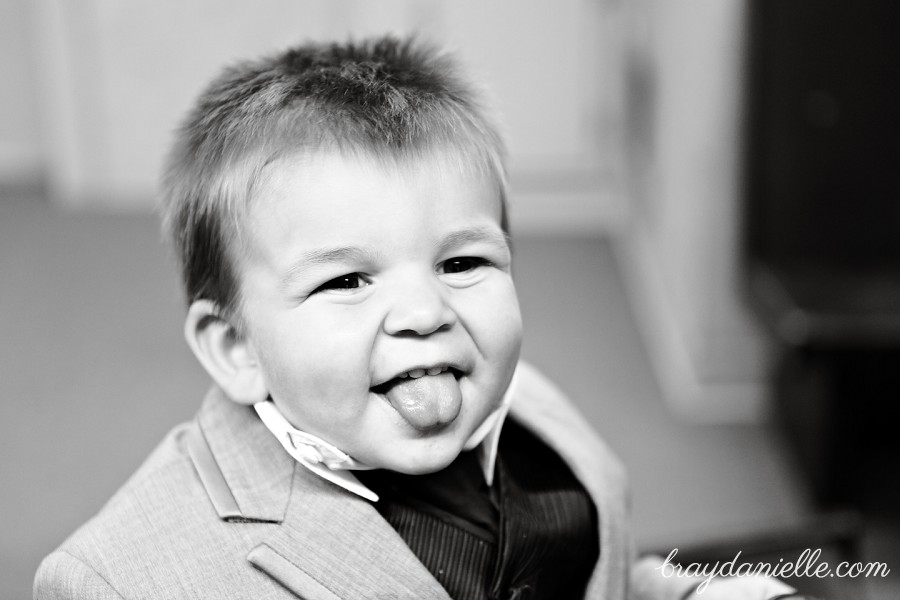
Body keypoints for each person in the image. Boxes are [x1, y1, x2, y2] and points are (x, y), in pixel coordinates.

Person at [34, 36, 796, 599]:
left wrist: (686, 593)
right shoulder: (120, 579)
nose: (428, 313)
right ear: (236, 346)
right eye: (348, 280)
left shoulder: (528, 406)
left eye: (463, 264)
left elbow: (590, 577)